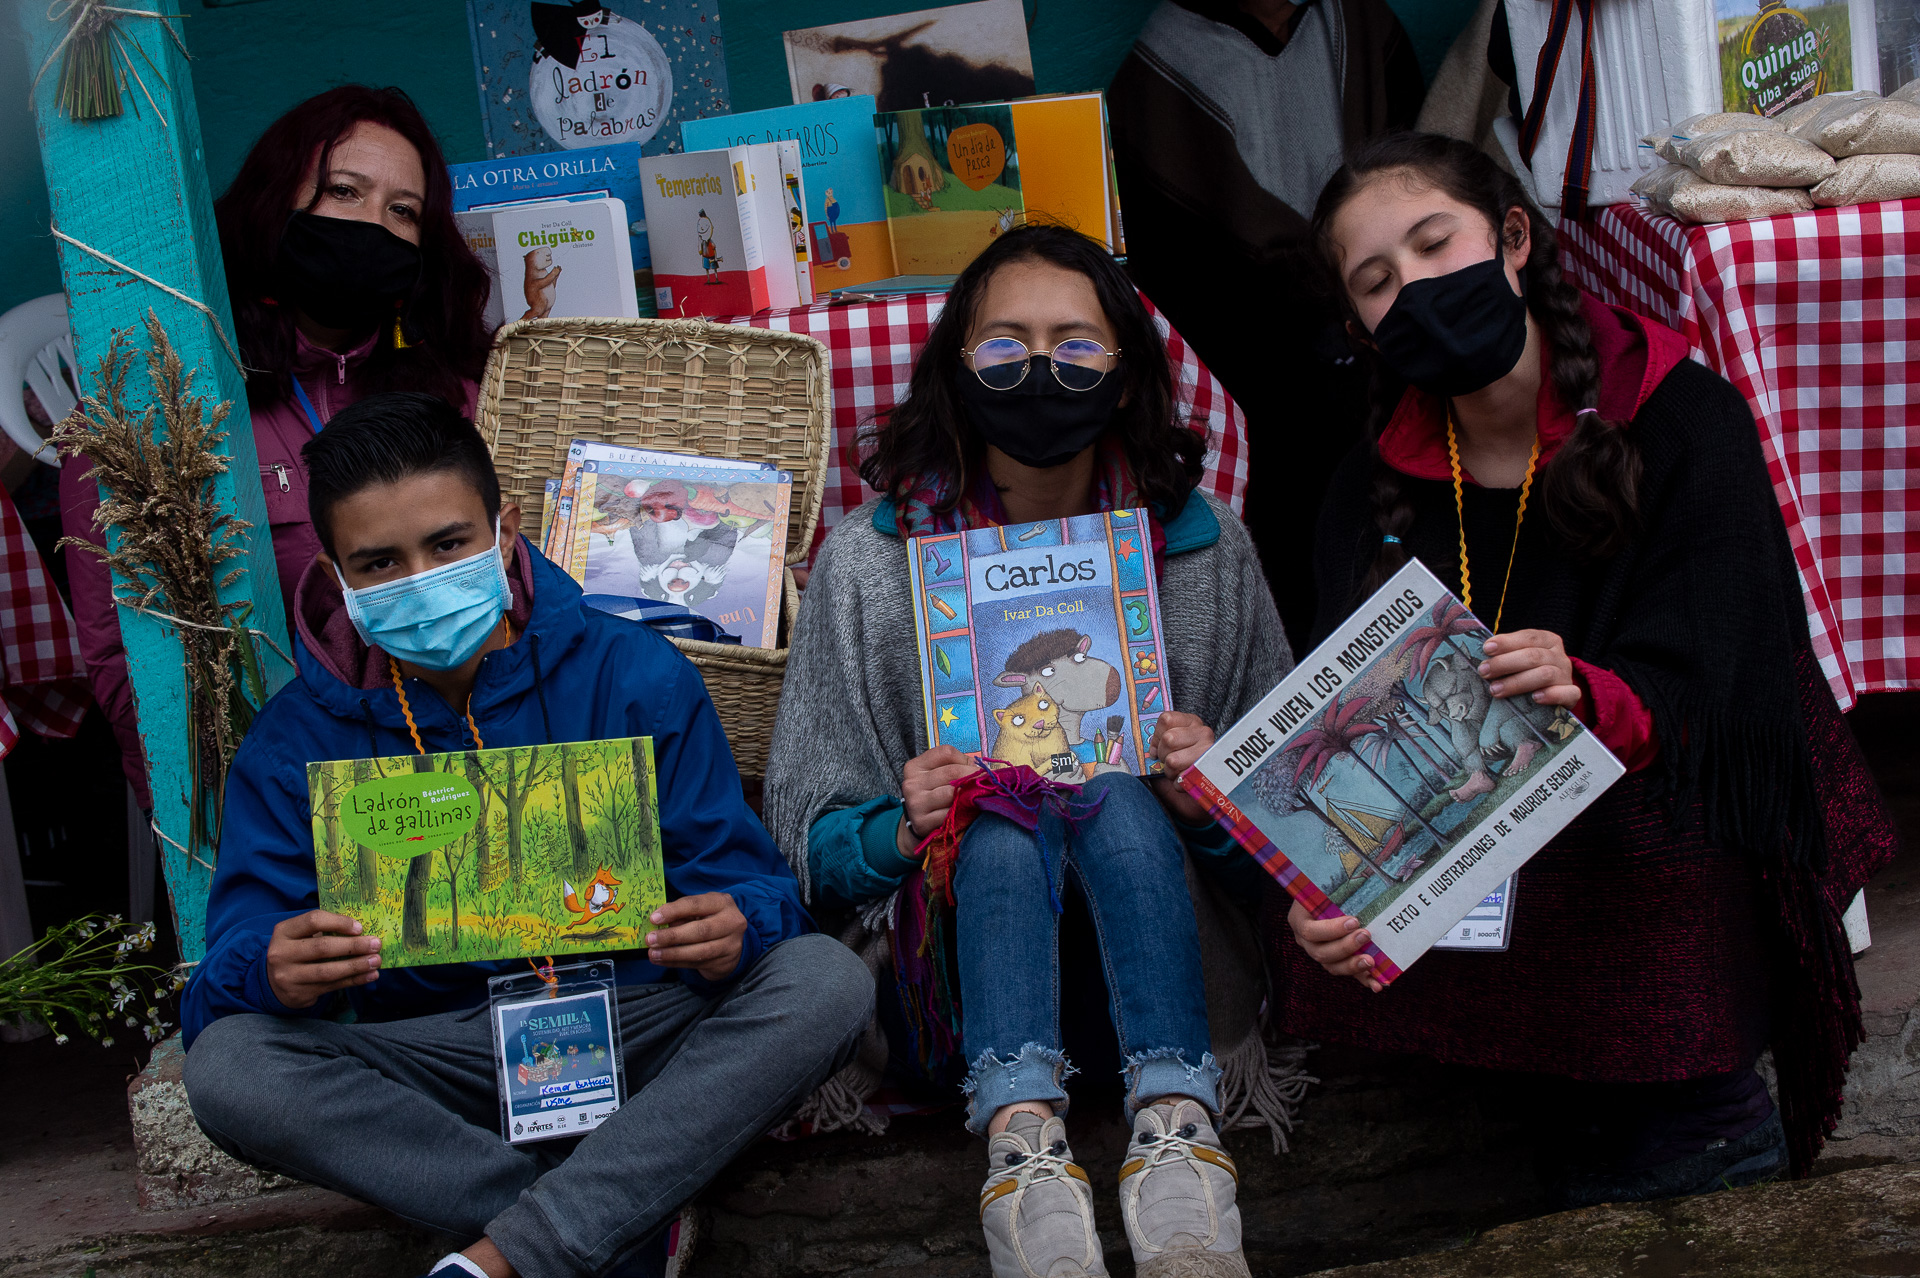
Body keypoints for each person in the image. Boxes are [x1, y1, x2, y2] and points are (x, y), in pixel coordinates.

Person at [1279, 132, 1899, 1206]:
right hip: (1481, 807)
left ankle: (1708, 1126)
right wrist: (1326, 879)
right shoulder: (1363, 488)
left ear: (1513, 238)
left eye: (1437, 245)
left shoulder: (1683, 415)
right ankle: (1548, 1108)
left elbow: (1734, 680)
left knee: (1638, 851)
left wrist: (1598, 695)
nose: (1417, 290)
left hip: (1662, 771)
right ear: (1356, 326)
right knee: (1315, 928)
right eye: (1379, 282)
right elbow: (1355, 730)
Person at [179, 393, 873, 1278]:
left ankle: (505, 1255)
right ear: (333, 576)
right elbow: (218, 991)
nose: (419, 580)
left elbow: (764, 894)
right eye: (379, 564)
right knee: (231, 1069)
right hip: (443, 1058)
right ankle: (607, 1220)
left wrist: (735, 925)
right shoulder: (293, 745)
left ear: (505, 529)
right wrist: (270, 969)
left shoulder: (634, 676)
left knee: (824, 981)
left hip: (634, 1024)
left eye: (448, 544)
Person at [763, 224, 1293, 1278]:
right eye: (1003, 350)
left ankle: (1179, 1141)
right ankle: (1022, 1155)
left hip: (1170, 971)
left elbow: (1293, 844)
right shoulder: (872, 565)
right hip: (951, 1002)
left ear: (1130, 373)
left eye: (1076, 348)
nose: (1040, 374)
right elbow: (808, 848)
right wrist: (897, 825)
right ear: (955, 376)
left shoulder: (1206, 546)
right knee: (1002, 818)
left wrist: (1216, 802)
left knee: (1118, 794)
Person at [62, 85, 493, 811]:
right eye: (343, 192)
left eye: (403, 211)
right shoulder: (170, 406)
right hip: (278, 789)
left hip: (470, 768)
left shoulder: (456, 399)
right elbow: (126, 653)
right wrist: (219, 820)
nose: (372, 226)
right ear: (275, 204)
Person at [1107, 0, 1425, 648]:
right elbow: (1163, 262)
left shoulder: (1358, 24)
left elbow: (1419, 165)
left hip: (1381, 348)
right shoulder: (1159, 61)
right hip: (1248, 373)